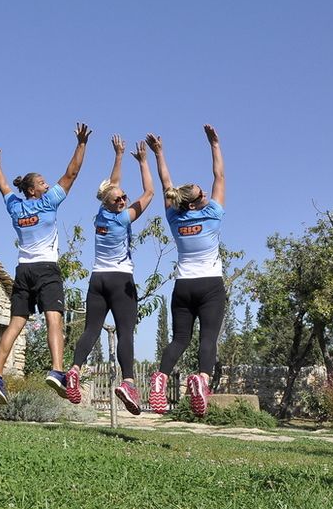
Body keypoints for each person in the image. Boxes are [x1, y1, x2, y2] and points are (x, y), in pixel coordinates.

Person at [0, 123, 91, 404]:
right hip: (45, 270)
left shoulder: (15, 207)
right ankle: (56, 370)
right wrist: (81, 144)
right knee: (54, 318)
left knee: (16, 322)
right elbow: (72, 174)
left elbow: (4, 187)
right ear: (32, 190)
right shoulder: (47, 202)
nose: (47, 184)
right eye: (42, 182)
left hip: (23, 271)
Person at [64, 136, 154, 413]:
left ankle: (75, 369)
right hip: (120, 279)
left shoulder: (100, 215)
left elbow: (112, 186)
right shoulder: (123, 217)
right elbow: (150, 192)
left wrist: (118, 155)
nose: (125, 199)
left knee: (92, 328)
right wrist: (143, 162)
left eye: (125, 197)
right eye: (121, 198)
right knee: (126, 332)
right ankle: (128, 382)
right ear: (113, 203)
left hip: (96, 279)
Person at [147, 124, 226, 417]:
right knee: (208, 338)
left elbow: (166, 181)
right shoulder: (213, 214)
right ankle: (202, 380)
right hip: (210, 286)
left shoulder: (173, 217)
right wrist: (214, 145)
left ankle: (160, 377)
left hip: (182, 287)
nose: (206, 192)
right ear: (196, 201)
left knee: (180, 339)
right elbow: (219, 175)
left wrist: (159, 153)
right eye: (202, 192)